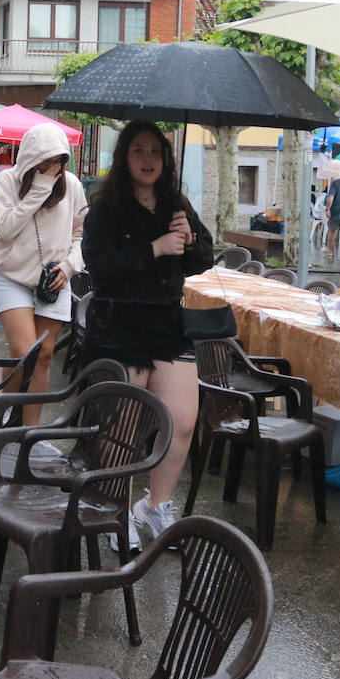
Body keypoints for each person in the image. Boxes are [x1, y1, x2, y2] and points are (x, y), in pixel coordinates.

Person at [81, 121, 214, 546]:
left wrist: (189, 241)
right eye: (138, 150)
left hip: (167, 326)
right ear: (124, 157)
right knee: (123, 427)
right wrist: (153, 249)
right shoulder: (105, 207)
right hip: (118, 326)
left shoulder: (176, 204)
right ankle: (114, 513)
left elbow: (201, 260)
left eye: (155, 151)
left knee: (183, 421)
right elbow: (99, 268)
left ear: (166, 158)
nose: (148, 159)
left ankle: (154, 506)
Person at [0, 122, 89, 430]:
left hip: (54, 279)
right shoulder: (9, 179)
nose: (52, 166)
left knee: (44, 354)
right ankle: (5, 416)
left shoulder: (71, 185)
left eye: (58, 160)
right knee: (23, 351)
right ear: (30, 157)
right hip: (11, 275)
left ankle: (29, 430)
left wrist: (70, 267)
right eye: (45, 160)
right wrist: (39, 189)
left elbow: (81, 234)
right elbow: (6, 228)